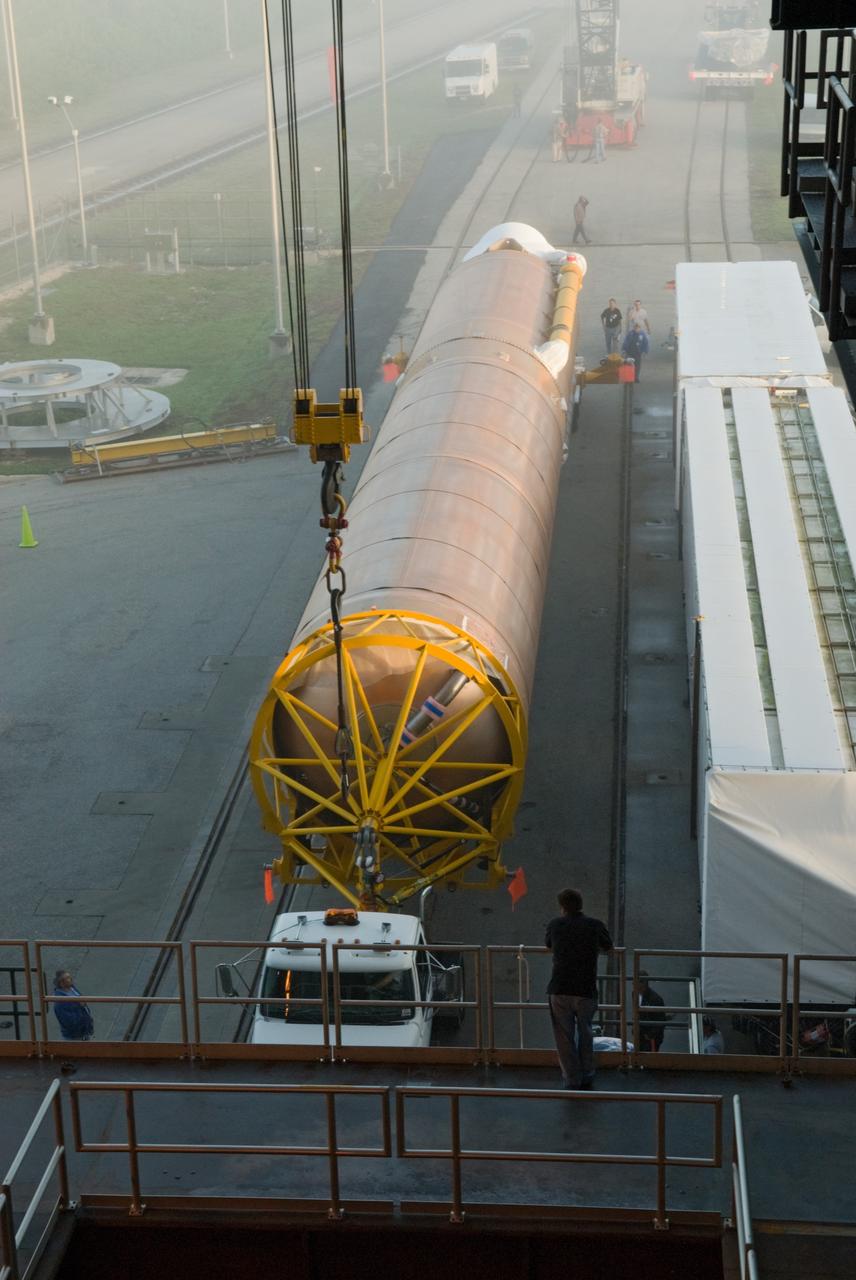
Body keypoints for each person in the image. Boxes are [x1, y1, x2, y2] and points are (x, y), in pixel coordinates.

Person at [545, 887, 613, 1089]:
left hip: (560, 987)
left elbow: (549, 944)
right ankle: (588, 1074)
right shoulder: (595, 925)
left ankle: (571, 1079)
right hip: (586, 989)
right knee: (586, 1032)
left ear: (562, 908)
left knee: (564, 1037)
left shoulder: (555, 925)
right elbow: (608, 946)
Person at [52, 970, 94, 1042]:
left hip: (84, 1032)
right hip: (75, 1037)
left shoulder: (72, 988)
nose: (71, 979)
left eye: (69, 976)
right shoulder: (60, 1001)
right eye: (68, 978)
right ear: (61, 983)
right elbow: (69, 1022)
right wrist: (81, 1006)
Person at [637, 971, 669, 1052]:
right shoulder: (636, 994)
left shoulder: (655, 999)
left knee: (648, 1060)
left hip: (651, 1038)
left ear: (644, 983)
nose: (633, 985)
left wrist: (650, 1035)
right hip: (641, 1034)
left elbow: (661, 1021)